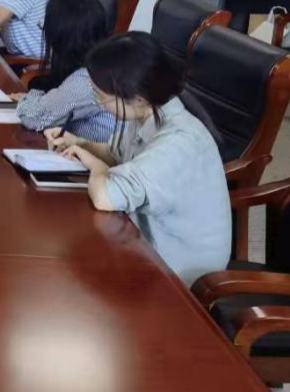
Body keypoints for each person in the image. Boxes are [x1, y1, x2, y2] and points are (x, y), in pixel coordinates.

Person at [45, 32, 230, 285]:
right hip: (144, 240)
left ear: (138, 98)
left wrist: (94, 164)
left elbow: (105, 197)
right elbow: (117, 155)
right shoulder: (147, 112)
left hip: (179, 270)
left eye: (101, 96)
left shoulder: (179, 142)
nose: (98, 103)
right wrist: (79, 143)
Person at [11, 0, 116, 142]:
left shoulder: (87, 80)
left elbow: (34, 118)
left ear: (61, 38)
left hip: (94, 155)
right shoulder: (103, 62)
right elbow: (52, 105)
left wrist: (28, 100)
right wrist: (37, 100)